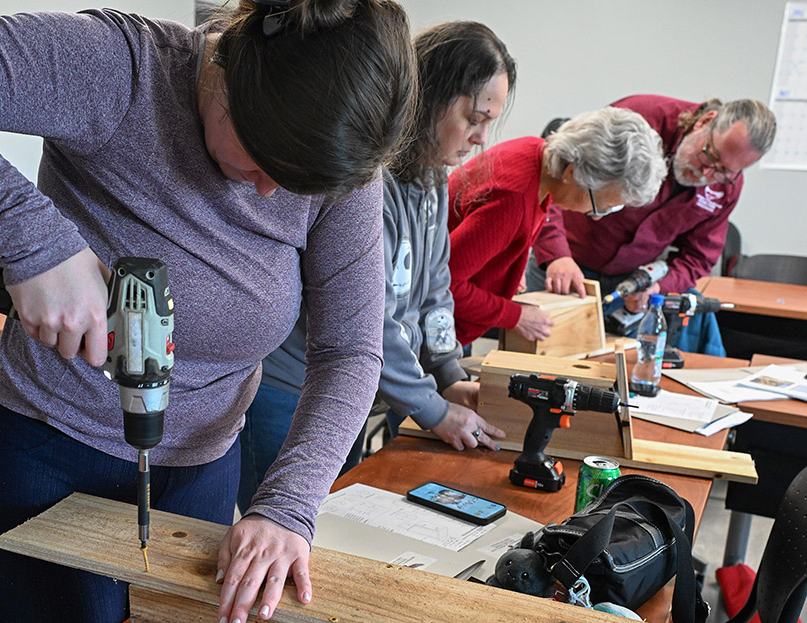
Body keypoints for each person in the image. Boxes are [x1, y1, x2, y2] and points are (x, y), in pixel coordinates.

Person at [0, 1, 414, 623]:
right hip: (49, 453)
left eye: (297, 185)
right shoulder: (123, 69)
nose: (274, 193)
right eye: (266, 161)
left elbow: (351, 349)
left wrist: (287, 506)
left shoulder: (337, 159)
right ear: (237, 75)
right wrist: (29, 235)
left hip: (205, 467)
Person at [239, 21, 515, 514]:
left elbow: (434, 289)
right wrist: (433, 410)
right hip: (292, 389)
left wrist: (449, 374)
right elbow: (371, 320)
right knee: (287, 527)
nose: (480, 138)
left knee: (326, 525)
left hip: (348, 388)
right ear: (429, 97)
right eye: (475, 118)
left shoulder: (431, 177)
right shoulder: (368, 181)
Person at [526, 96, 776, 316]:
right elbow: (554, 178)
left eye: (723, 171)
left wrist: (659, 287)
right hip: (563, 263)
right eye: (709, 155)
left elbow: (697, 257)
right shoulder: (638, 119)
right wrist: (557, 254)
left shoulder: (726, 187)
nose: (706, 172)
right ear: (705, 122)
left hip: (630, 286)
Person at [448, 106, 668, 347]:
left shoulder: (535, 153)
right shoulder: (512, 199)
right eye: (600, 205)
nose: (596, 217)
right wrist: (516, 316)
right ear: (572, 172)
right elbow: (443, 285)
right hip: (430, 331)